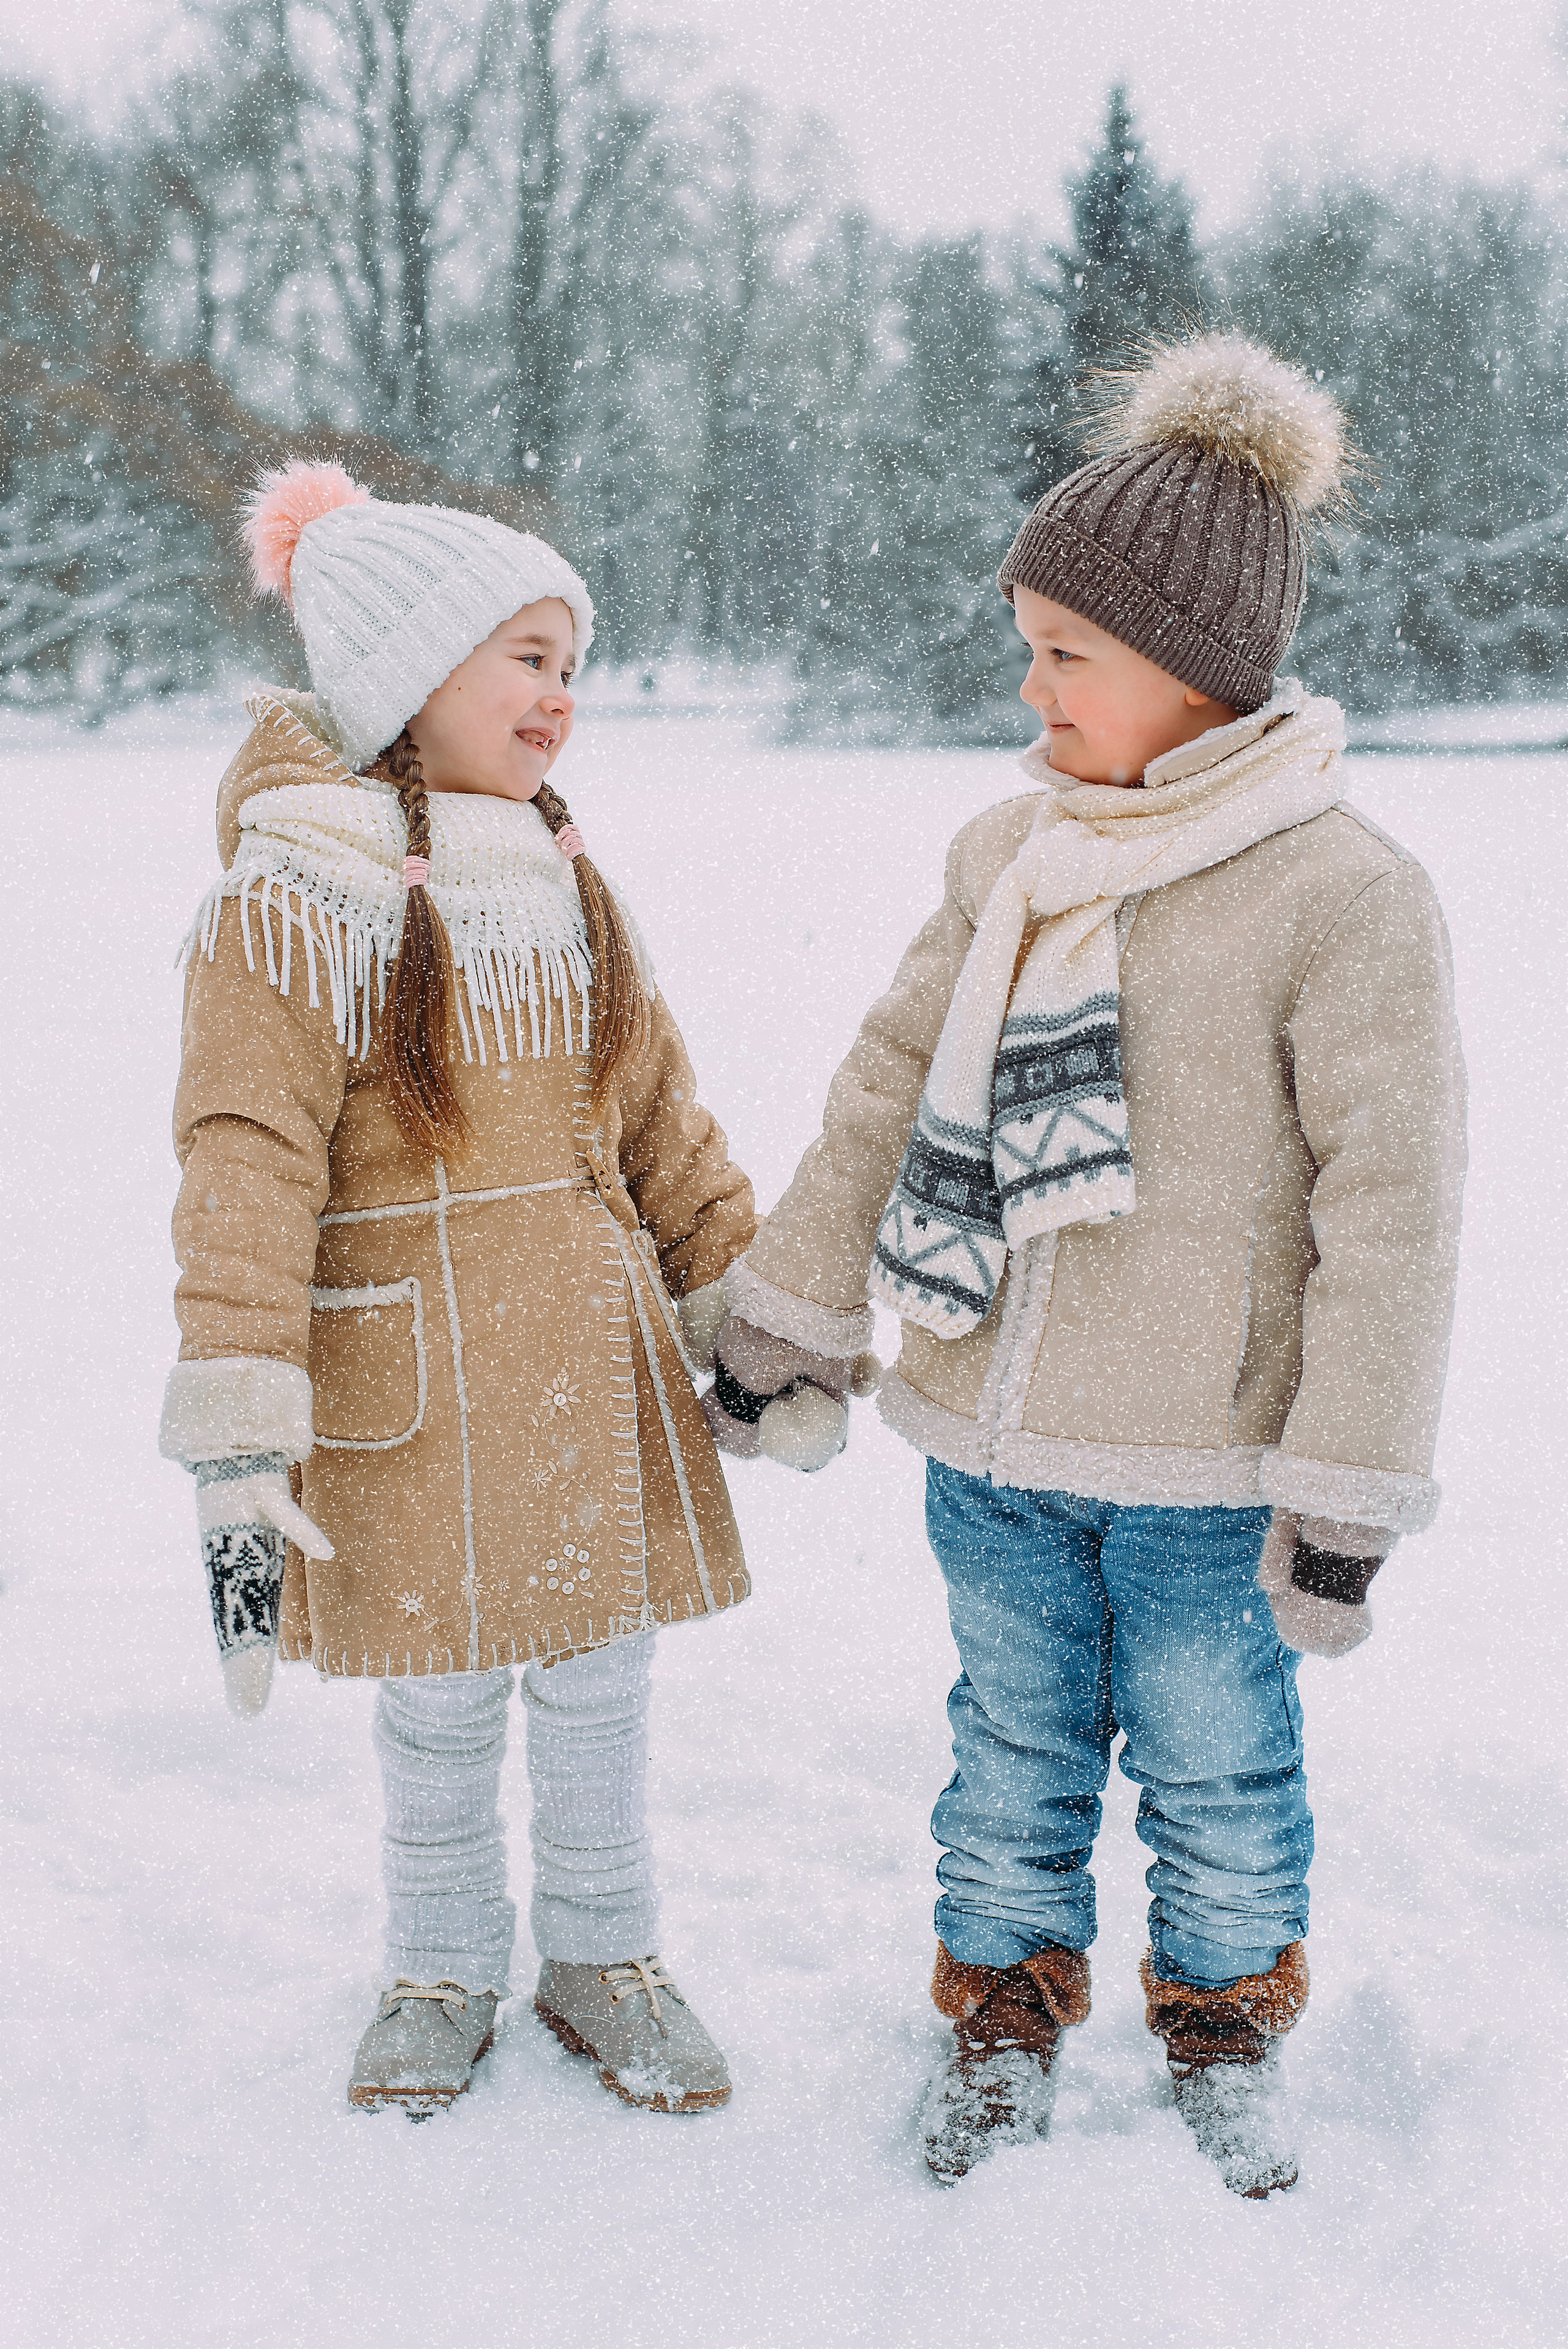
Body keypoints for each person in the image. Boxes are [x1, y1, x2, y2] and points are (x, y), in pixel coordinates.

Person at [703, 336, 1466, 2197]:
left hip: (1211, 1470)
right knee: (1008, 1759)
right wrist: (796, 1307)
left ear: (1198, 676)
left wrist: (1348, 1478)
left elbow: (1396, 1206)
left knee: (1217, 1769)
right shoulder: (1008, 855)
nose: (1028, 683)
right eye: (1028, 641)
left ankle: (1221, 2016)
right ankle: (1002, 2006)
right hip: (990, 1431)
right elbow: (888, 1087)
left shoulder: (1339, 892)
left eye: (1069, 652)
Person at [160, 461, 757, 2120]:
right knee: (437, 1697)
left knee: (595, 1684)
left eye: (574, 660)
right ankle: (438, 1959)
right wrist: (238, 1416)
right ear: (405, 677)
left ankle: (603, 1949)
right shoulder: (290, 894)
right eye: (526, 657)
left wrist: (737, 1301)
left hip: (580, 1363)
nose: (562, 695)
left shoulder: (567, 880)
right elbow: (245, 1160)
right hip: (404, 1386)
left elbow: (658, 1114)